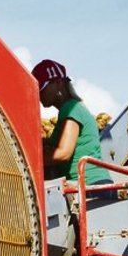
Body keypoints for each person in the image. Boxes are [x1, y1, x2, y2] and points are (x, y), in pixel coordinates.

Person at [32, 59, 113, 190]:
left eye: (42, 88)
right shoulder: (74, 108)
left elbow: (64, 153)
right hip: (94, 185)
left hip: (90, 186)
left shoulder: (71, 108)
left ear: (57, 83)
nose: (39, 94)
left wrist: (31, 160)